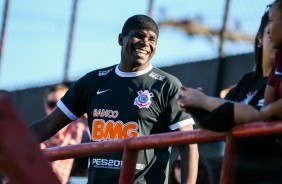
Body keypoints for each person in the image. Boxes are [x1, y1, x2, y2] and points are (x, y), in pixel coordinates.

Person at [30, 15, 198, 184]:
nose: (145, 42)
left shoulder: (166, 85)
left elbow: (188, 144)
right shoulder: (92, 81)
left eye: (152, 39)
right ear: (121, 39)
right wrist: (9, 143)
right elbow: (48, 125)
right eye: (139, 35)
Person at [177, 10, 282, 184]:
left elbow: (255, 115)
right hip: (238, 175)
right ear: (260, 37)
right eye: (270, 35)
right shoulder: (248, 81)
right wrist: (194, 107)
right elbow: (219, 118)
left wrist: (204, 101)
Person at [40, 84, 90, 184]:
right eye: (51, 104)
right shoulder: (38, 137)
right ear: (46, 107)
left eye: (62, 104)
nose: (56, 109)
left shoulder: (83, 129)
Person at [261, 0, 282, 120]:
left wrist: (270, 111)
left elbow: (266, 111)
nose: (268, 29)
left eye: (272, 20)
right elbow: (265, 109)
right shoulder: (279, 58)